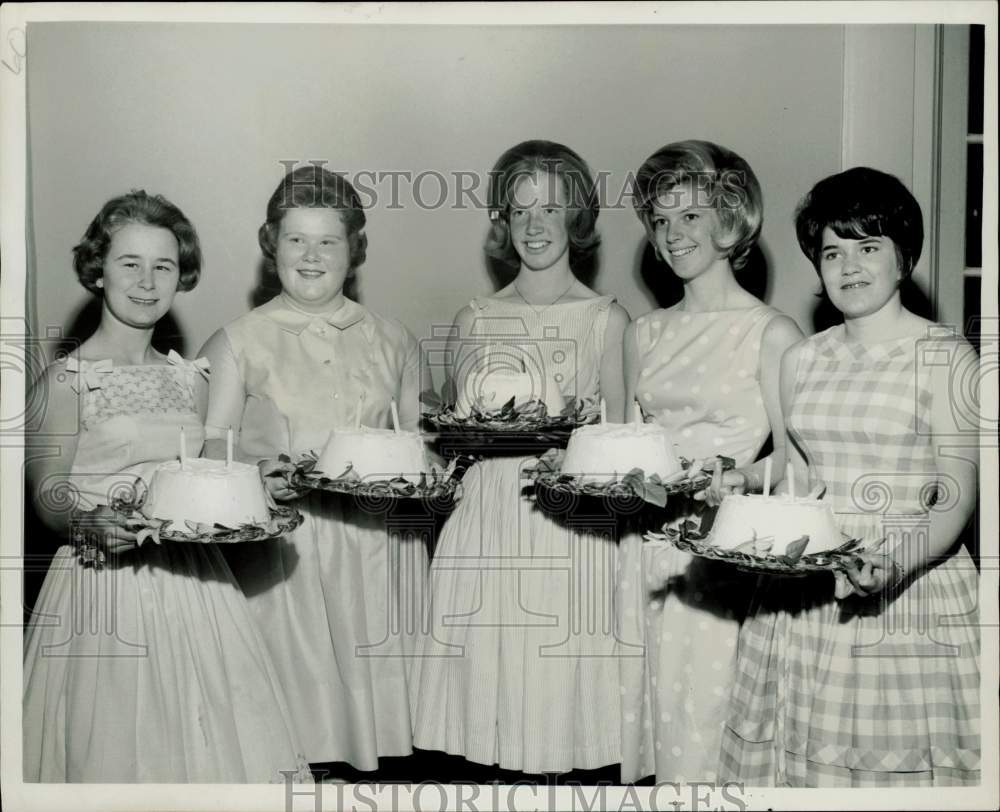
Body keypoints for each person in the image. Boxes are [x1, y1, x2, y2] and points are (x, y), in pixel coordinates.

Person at [22, 190, 310, 782]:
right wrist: (88, 521)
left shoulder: (191, 379)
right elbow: (47, 493)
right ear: (98, 270)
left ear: (182, 276)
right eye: (130, 263)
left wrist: (258, 482)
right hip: (103, 584)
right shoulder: (66, 380)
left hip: (195, 583)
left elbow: (204, 478)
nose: (148, 282)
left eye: (165, 266)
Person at [720, 167, 980, 786]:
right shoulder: (803, 358)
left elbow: (955, 493)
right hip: (807, 584)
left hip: (910, 583)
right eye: (831, 251)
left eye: (868, 246)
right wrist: (738, 479)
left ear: (903, 257)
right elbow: (798, 470)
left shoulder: (947, 356)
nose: (849, 266)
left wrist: (893, 563)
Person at [411, 140, 630, 774]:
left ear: (577, 219)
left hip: (566, 523)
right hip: (483, 519)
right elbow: (457, 433)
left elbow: (621, 443)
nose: (534, 225)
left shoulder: (606, 320)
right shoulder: (474, 316)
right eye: (519, 209)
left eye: (551, 209)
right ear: (502, 221)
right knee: (486, 721)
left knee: (561, 719)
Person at [200, 165, 427, 773]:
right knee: (299, 740)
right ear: (270, 242)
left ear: (355, 250)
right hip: (287, 557)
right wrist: (262, 477)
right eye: (296, 238)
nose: (310, 255)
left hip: (382, 551)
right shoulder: (236, 342)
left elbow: (423, 447)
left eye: (328, 240)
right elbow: (204, 463)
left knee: (385, 743)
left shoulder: (396, 340)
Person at [616, 140, 803, 783]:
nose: (672, 235)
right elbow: (628, 446)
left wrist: (740, 477)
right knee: (656, 723)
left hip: (728, 554)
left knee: (714, 728)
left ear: (730, 220)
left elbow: (796, 461)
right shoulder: (642, 334)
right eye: (660, 222)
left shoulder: (772, 332)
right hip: (646, 551)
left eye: (689, 216)